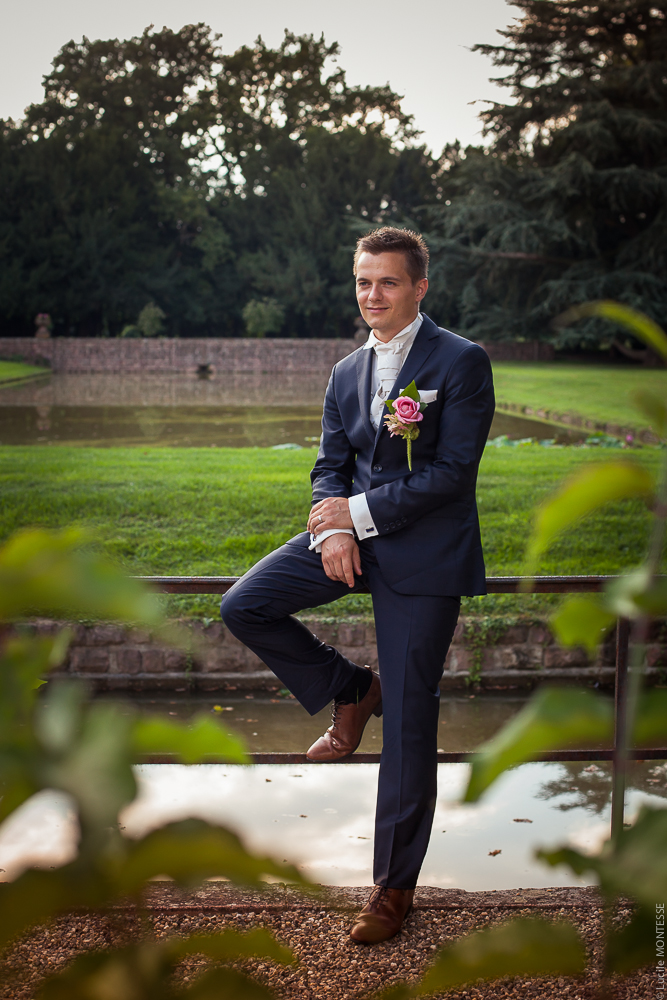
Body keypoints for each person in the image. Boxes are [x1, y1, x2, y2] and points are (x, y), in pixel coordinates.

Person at [220, 227, 495, 944]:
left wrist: (358, 515)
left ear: (419, 287)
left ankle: (392, 889)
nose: (372, 295)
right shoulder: (345, 372)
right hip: (351, 543)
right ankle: (350, 690)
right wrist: (334, 529)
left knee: (408, 723)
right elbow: (329, 467)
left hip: (425, 553)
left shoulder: (461, 361)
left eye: (388, 282)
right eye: (363, 282)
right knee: (245, 603)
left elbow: (452, 474)